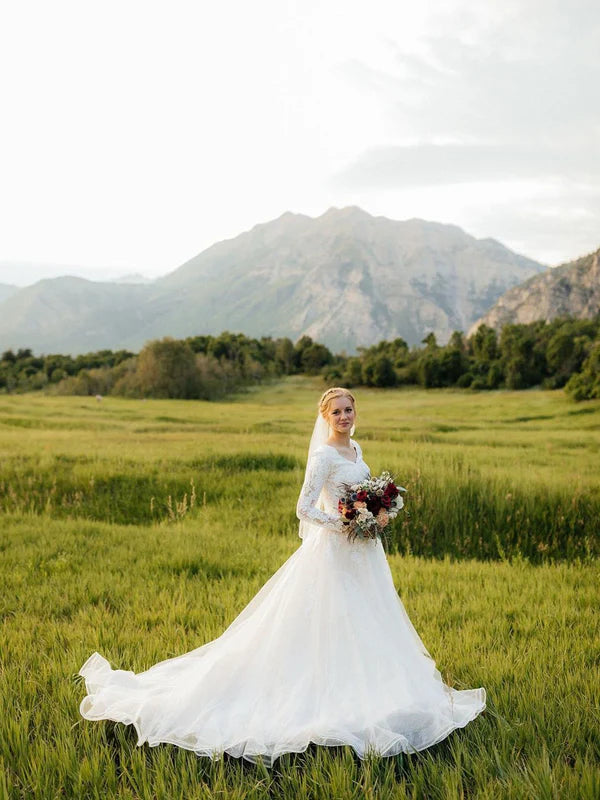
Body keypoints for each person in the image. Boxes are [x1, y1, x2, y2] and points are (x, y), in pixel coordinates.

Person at [78, 387, 486, 767]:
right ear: (324, 416)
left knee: (369, 619)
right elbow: (304, 509)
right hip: (334, 551)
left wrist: (378, 511)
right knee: (325, 621)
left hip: (365, 553)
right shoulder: (323, 456)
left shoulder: (357, 447)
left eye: (349, 410)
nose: (344, 416)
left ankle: (378, 691)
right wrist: (344, 522)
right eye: (337, 411)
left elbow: (365, 491)